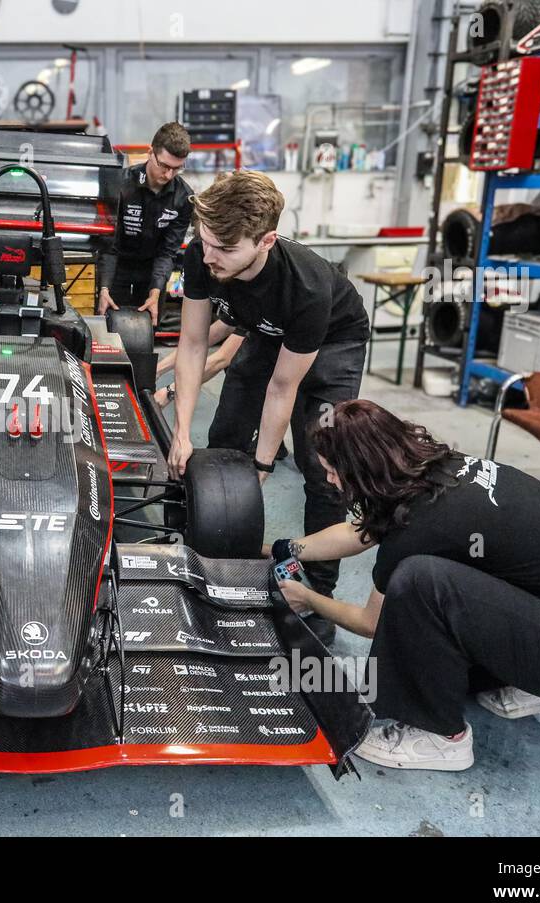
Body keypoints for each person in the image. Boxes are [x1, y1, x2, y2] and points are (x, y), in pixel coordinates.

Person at [270, 400, 540, 772]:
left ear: (360, 471)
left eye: (332, 472)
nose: (329, 480)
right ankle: (532, 679)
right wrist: (286, 549)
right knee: (452, 573)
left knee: (419, 581)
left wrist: (309, 599)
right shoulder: (433, 470)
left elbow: (372, 622)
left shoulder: (419, 526)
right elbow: (363, 530)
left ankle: (440, 736)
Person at [168, 170, 369, 644]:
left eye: (225, 248)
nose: (210, 256)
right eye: (206, 242)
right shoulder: (204, 252)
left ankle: (316, 591)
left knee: (322, 466)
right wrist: (180, 432)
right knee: (222, 442)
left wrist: (262, 463)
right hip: (264, 330)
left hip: (333, 341)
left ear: (265, 241)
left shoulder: (309, 287)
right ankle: (218, 559)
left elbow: (284, 388)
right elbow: (194, 343)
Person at [96, 121, 193, 326]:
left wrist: (156, 291)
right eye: (164, 166)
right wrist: (103, 288)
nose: (169, 175)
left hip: (153, 272)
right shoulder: (119, 184)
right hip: (117, 266)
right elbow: (109, 243)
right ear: (150, 152)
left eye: (177, 169)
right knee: (109, 330)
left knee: (148, 331)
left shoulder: (184, 197)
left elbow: (167, 252)